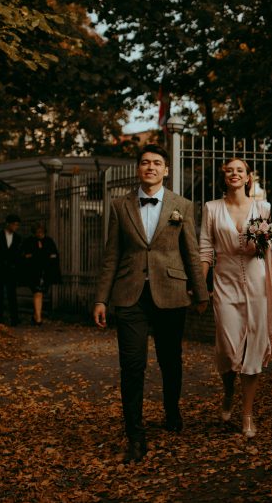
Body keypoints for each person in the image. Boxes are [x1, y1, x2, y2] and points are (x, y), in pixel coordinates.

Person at [93, 144, 209, 464]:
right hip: (129, 296)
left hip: (170, 293)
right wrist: (101, 298)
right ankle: (135, 433)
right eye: (145, 163)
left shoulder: (182, 206)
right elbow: (111, 255)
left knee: (170, 360)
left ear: (166, 170)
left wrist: (201, 294)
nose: (151, 167)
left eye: (157, 163)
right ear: (138, 169)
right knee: (132, 365)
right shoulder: (119, 206)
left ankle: (172, 411)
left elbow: (191, 252)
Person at [199, 157, 272, 438]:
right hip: (225, 283)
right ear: (224, 177)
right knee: (227, 347)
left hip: (258, 282)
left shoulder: (264, 207)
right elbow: (205, 249)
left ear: (248, 177)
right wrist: (201, 285)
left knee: (255, 346)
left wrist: (270, 267)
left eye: (240, 170)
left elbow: (268, 248)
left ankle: (247, 413)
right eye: (229, 170)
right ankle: (228, 392)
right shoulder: (211, 208)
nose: (234, 174)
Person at [20, 223, 61, 326]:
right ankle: (38, 318)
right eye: (37, 232)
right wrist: (42, 256)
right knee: (38, 292)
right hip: (33, 272)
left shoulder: (49, 241)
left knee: (40, 293)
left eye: (41, 232)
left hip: (45, 272)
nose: (39, 234)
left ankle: (36, 316)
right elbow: (24, 256)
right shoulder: (29, 241)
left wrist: (36, 255)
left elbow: (54, 256)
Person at [0, 214, 23, 326]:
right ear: (7, 224)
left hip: (11, 270)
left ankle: (14, 319)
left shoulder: (18, 238)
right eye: (14, 224)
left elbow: (17, 255)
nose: (16, 227)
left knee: (12, 294)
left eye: (17, 225)